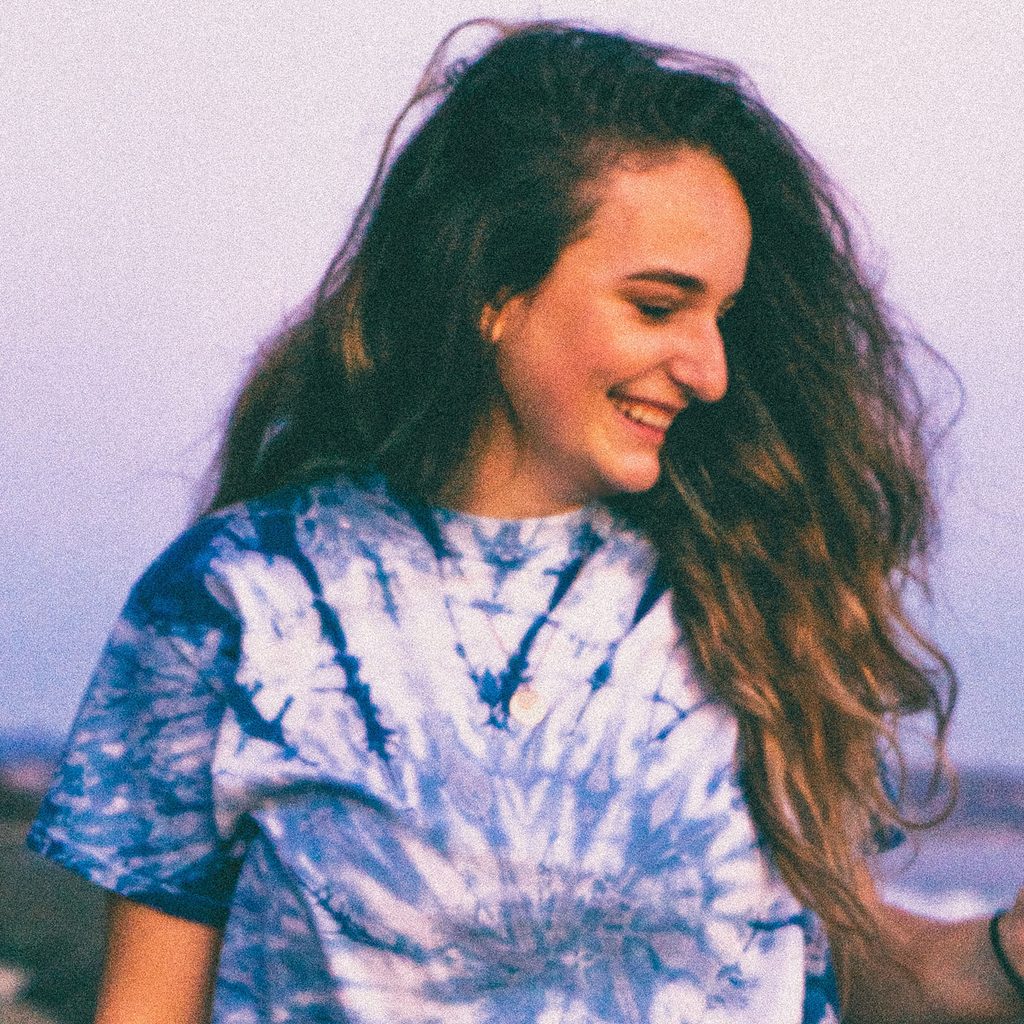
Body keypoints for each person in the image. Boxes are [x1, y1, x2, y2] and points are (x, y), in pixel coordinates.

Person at [25, 18, 1024, 1024]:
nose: (711, 371)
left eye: (721, 316)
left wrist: (1003, 959)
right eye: (658, 305)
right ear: (493, 287)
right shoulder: (238, 597)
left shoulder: (757, 587)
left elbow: (829, 965)